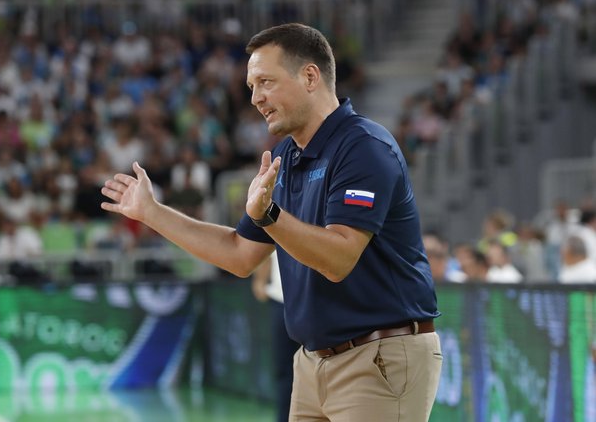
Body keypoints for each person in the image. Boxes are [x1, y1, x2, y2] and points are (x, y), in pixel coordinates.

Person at [101, 23, 442, 421]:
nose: (256, 98)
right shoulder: (288, 153)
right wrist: (153, 214)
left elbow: (339, 257)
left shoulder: (364, 147)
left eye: (265, 82)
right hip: (313, 361)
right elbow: (240, 254)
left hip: (378, 357)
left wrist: (270, 216)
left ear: (310, 76)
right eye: (250, 86)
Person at [252, 253, 300, 422]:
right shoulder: (275, 227)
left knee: (319, 364)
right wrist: (260, 280)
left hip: (311, 302)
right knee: (284, 369)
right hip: (280, 303)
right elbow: (264, 251)